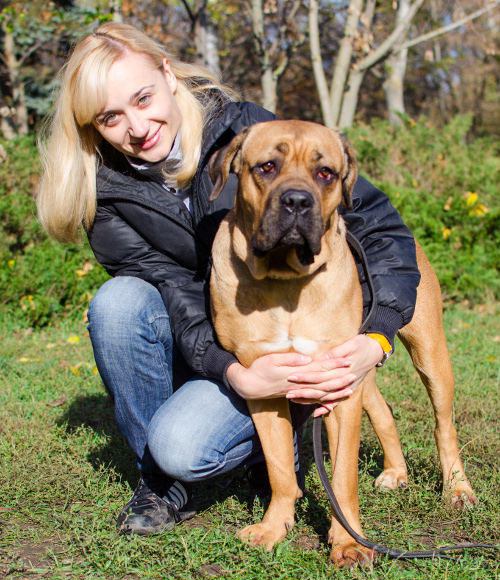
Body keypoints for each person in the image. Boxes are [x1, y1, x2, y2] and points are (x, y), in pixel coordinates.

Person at [36, 22, 421, 536]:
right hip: (212, 345)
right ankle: (161, 480)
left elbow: (383, 230)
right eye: (110, 116)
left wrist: (377, 334)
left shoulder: (253, 133)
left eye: (143, 97)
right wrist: (236, 371)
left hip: (274, 322)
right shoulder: (103, 192)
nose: (137, 124)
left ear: (167, 74)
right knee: (119, 305)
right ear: (92, 126)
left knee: (199, 435)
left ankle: (290, 452)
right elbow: (173, 293)